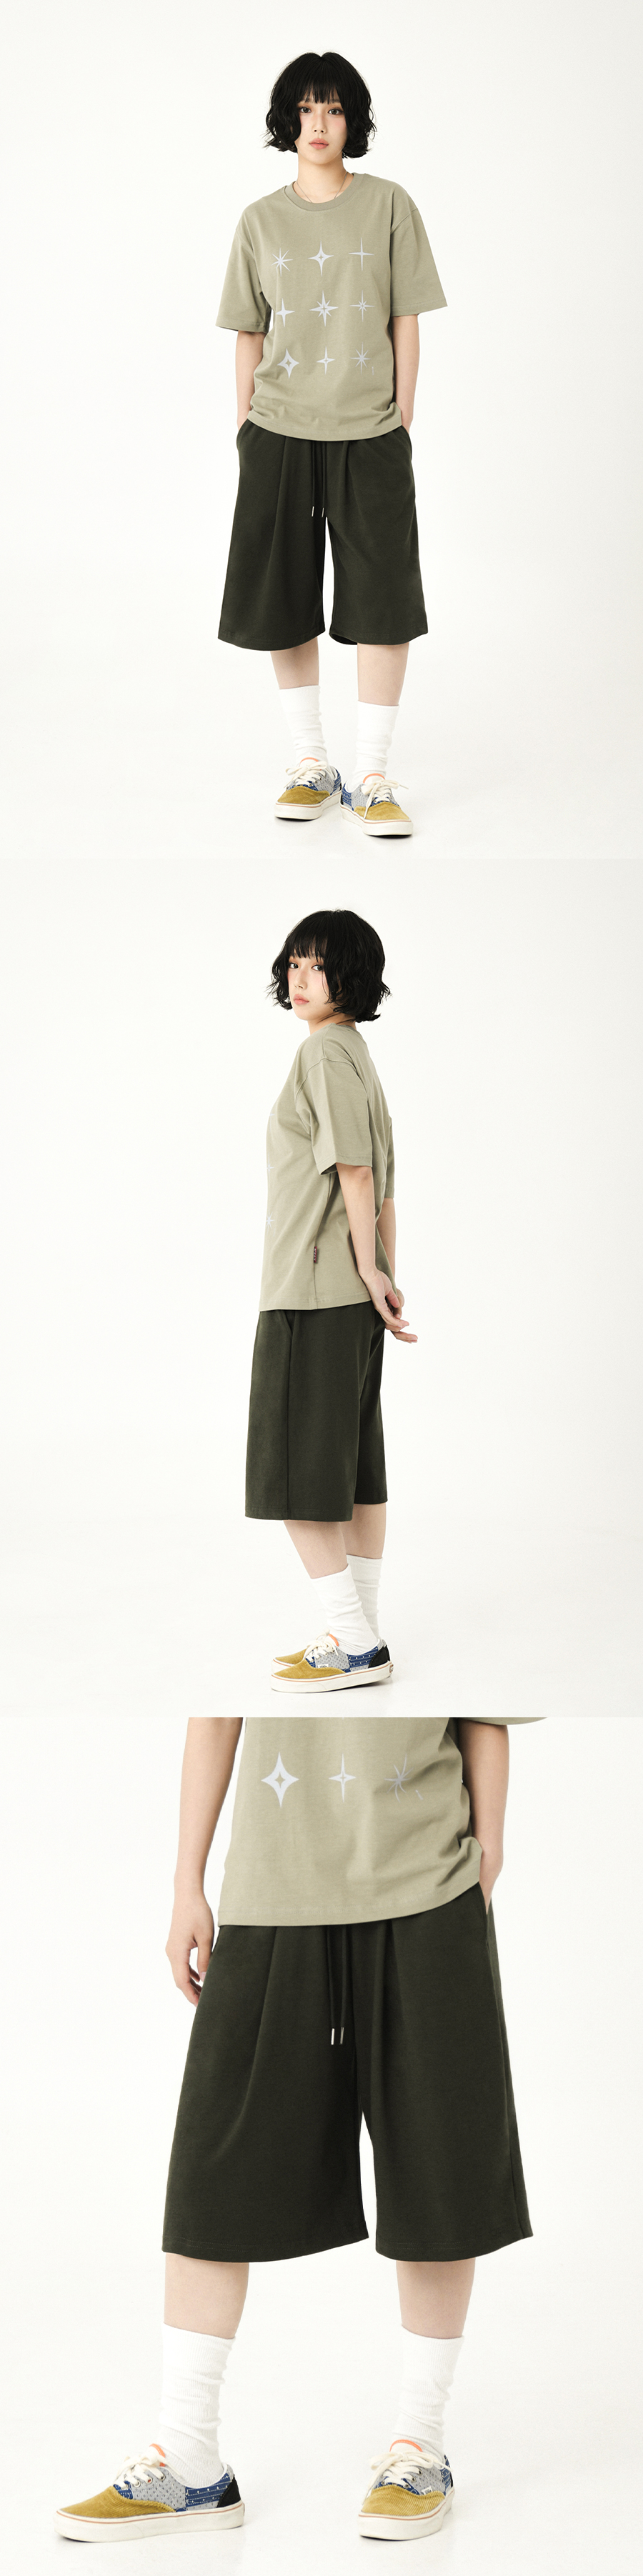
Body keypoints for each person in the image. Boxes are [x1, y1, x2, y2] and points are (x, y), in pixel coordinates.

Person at [55, 1713, 539, 2543]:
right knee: (214, 2166)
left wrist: (486, 1858)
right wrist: (186, 1882)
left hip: (428, 1882)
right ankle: (189, 2460)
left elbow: (482, 1707)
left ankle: (418, 2446)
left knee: (437, 2162)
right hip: (271, 1889)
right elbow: (217, 1710)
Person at [216, 49, 446, 837]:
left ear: (355, 121)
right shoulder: (260, 221)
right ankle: (311, 762)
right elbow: (248, 331)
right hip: (278, 431)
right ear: (288, 121)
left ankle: (373, 776)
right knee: (282, 597)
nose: (320, 123)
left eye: (336, 108)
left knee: (384, 599)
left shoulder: (389, 205)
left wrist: (402, 414)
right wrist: (245, 428)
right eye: (307, 108)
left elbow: (406, 317)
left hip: (371, 432)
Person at [246, 905, 415, 1695]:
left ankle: (354, 1642)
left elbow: (358, 1172)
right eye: (294, 963)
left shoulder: (324, 1054)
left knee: (293, 1475)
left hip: (312, 1293)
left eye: (318, 965)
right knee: (353, 1470)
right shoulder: (356, 1056)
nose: (301, 978)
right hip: (348, 1292)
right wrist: (381, 1276)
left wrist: (372, 1274)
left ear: (351, 977)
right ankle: (363, 1633)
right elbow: (382, 1184)